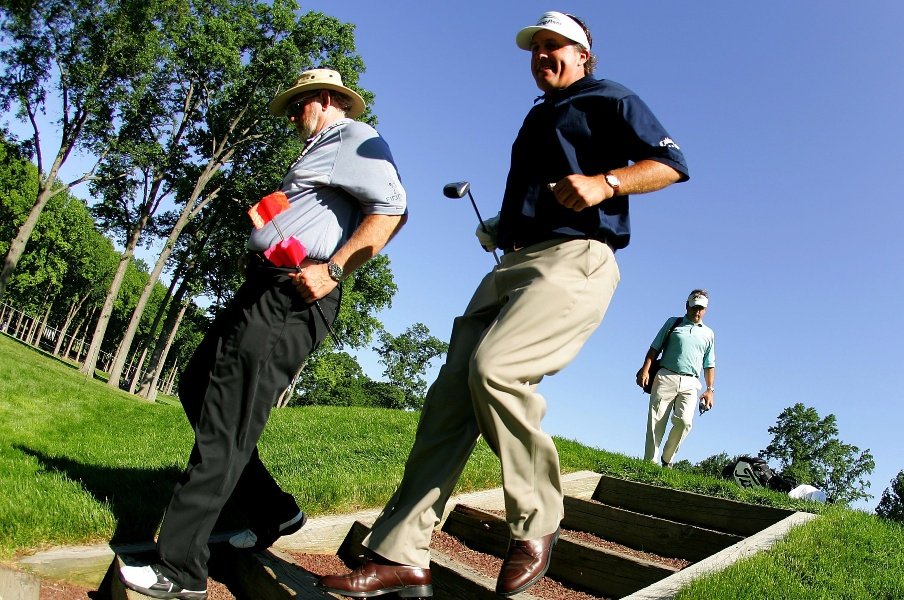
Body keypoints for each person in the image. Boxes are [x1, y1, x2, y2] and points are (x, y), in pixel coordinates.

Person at [319, 11, 688, 599]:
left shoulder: (611, 98)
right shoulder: (538, 115)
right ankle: (400, 555)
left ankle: (538, 519)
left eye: (555, 46)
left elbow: (671, 163)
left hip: (576, 260)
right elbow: (539, 195)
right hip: (514, 263)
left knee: (497, 370)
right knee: (446, 404)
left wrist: (607, 183)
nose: (543, 55)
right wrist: (502, 224)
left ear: (584, 54)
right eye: (536, 48)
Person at [119, 68, 408, 600]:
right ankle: (276, 508)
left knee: (227, 425)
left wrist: (336, 268)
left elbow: (393, 208)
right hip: (266, 285)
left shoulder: (354, 138)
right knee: (198, 385)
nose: (294, 116)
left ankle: (181, 569)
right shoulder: (320, 147)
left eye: (299, 105)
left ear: (322, 100)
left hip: (293, 296)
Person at [636, 290, 716, 468]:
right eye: (695, 307)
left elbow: (709, 364)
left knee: (685, 421)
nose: (697, 311)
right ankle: (649, 464)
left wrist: (710, 389)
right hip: (666, 376)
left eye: (701, 308)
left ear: (705, 310)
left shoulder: (708, 334)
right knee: (656, 421)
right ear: (687, 305)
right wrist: (645, 370)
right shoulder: (673, 323)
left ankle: (667, 459)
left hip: (691, 382)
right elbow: (654, 348)